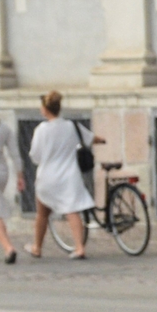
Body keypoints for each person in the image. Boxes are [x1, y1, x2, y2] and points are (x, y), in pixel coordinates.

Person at [28, 91, 100, 261]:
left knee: (42, 213)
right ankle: (80, 247)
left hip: (48, 177)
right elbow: (90, 138)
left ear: (45, 109)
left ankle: (37, 247)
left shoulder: (41, 130)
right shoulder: (71, 126)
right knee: (72, 211)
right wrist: (102, 140)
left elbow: (35, 156)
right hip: (69, 176)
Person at [0, 117, 19, 264]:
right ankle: (7, 247)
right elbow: (14, 153)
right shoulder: (3, 127)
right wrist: (21, 174)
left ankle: (8, 248)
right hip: (2, 173)